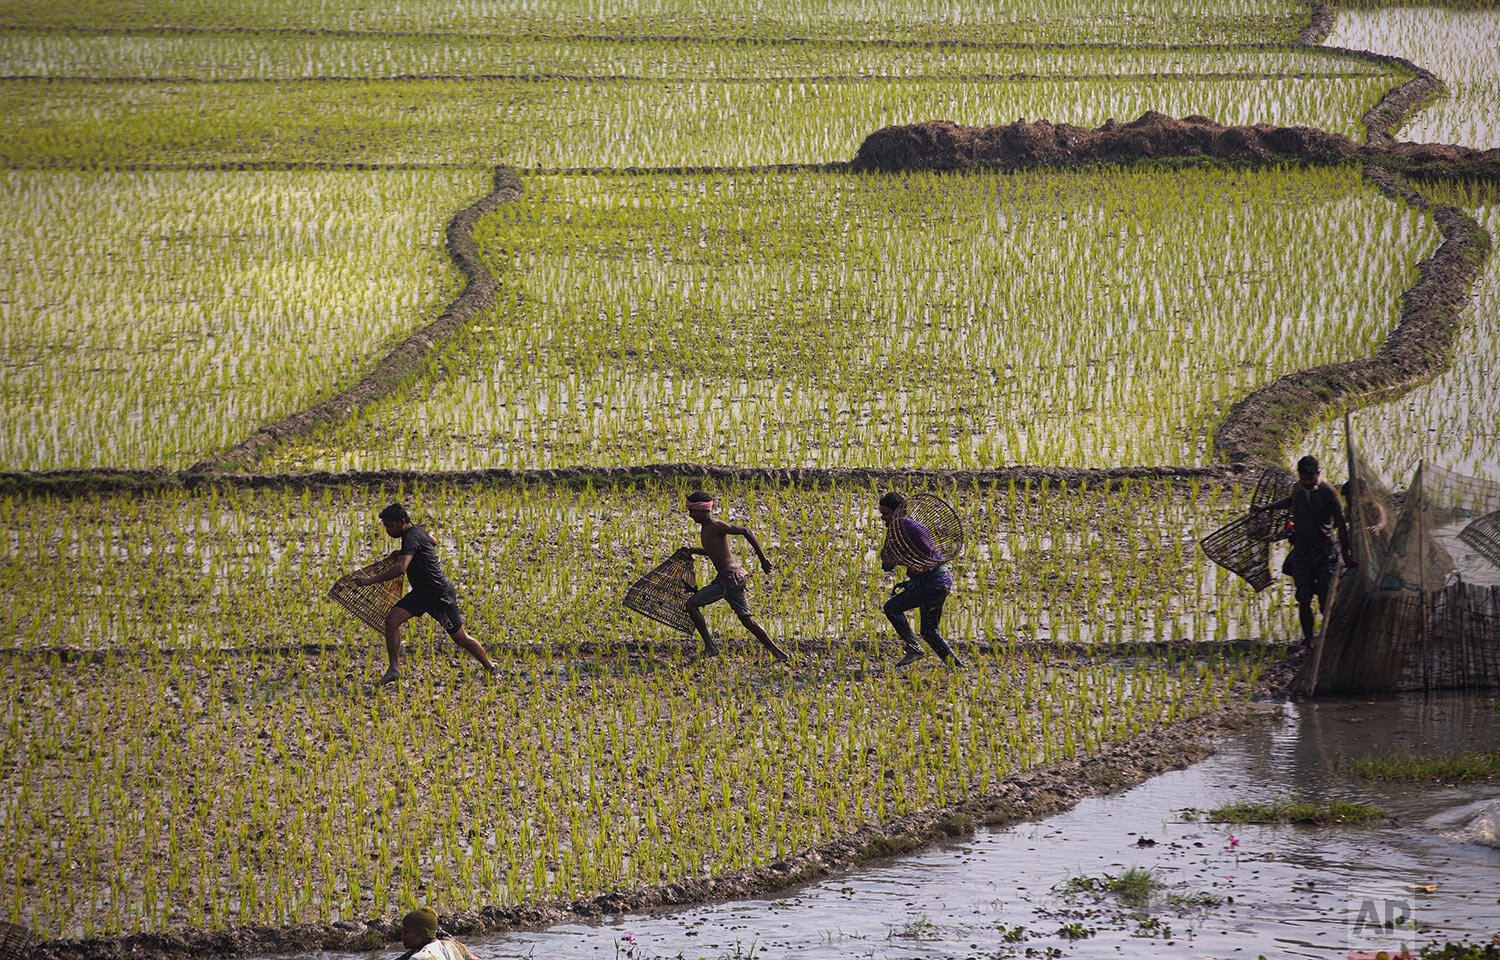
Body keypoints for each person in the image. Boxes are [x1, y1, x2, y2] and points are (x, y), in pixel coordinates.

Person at [351, 503, 497, 685]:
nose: (387, 531)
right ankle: (394, 669)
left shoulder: (411, 537)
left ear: (402, 522)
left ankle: (489, 666)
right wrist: (406, 552)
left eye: (390, 526)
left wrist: (369, 581)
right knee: (391, 621)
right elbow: (433, 540)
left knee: (460, 638)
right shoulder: (416, 532)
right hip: (421, 594)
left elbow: (401, 569)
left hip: (439, 596)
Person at [1252, 456, 1358, 648]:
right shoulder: (1298, 488)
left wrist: (1347, 553)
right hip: (1302, 552)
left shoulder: (1329, 493)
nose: (1307, 484)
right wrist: (1265, 507)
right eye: (1303, 479)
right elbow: (1290, 501)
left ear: (1318, 475)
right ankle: (1309, 642)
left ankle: (1332, 639)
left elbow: (1341, 524)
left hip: (1324, 551)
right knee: (1304, 597)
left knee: (1326, 598)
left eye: (1311, 479)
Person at [680, 491, 790, 662]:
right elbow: (714, 553)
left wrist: (763, 560)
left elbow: (746, 531)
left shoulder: (715, 525)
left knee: (691, 604)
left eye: (692, 511)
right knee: (747, 620)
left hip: (728, 579)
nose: (690, 515)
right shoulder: (707, 529)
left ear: (703, 510)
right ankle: (779, 653)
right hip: (733, 579)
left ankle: (710, 647)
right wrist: (693, 550)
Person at [879, 492, 963, 668]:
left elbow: (930, 554)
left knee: (892, 607)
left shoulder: (912, 528)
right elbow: (887, 564)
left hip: (934, 583)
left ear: (898, 512)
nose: (883, 518)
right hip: (937, 584)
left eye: (886, 514)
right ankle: (957, 667)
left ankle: (914, 648)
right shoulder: (898, 530)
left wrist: (918, 566)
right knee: (929, 631)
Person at [396, 906, 473, 960]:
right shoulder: (456, 946)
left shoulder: (420, 957)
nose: (402, 936)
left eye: (407, 932)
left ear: (422, 934)